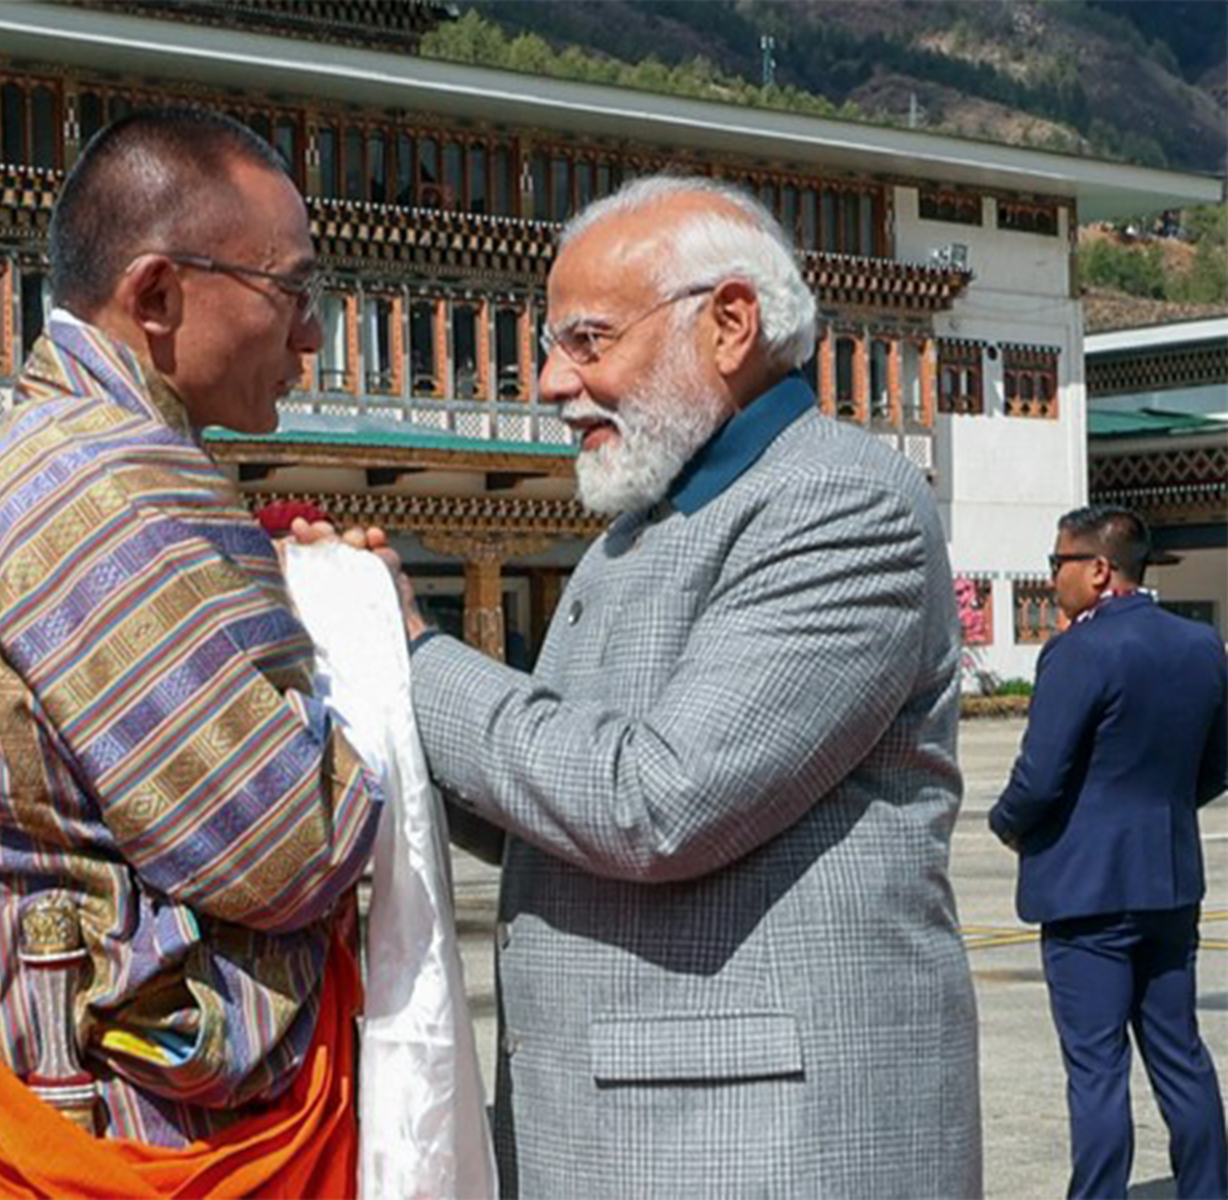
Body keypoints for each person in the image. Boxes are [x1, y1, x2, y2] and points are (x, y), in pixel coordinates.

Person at [351, 174, 983, 1195]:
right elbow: (555, 806)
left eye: (587, 341)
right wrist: (367, 691)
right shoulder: (641, 528)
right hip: (632, 1123)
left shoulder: (835, 501)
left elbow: (655, 802)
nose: (549, 383)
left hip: (758, 1138)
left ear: (729, 323)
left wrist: (415, 655)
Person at [0, 107, 382, 1197]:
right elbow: (289, 846)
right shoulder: (104, 492)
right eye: (293, 291)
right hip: (110, 1123)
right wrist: (371, 646)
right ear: (157, 294)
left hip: (41, 1081)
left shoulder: (39, 460)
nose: (311, 337)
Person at [990, 506, 1227, 1200]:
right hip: (1169, 882)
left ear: (1098, 569)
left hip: (1086, 890)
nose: (1052, 577)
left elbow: (1039, 778)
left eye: (1057, 563)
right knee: (1180, 1057)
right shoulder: (1200, 645)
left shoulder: (1079, 651)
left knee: (1096, 1069)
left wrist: (1008, 824)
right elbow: (1217, 765)